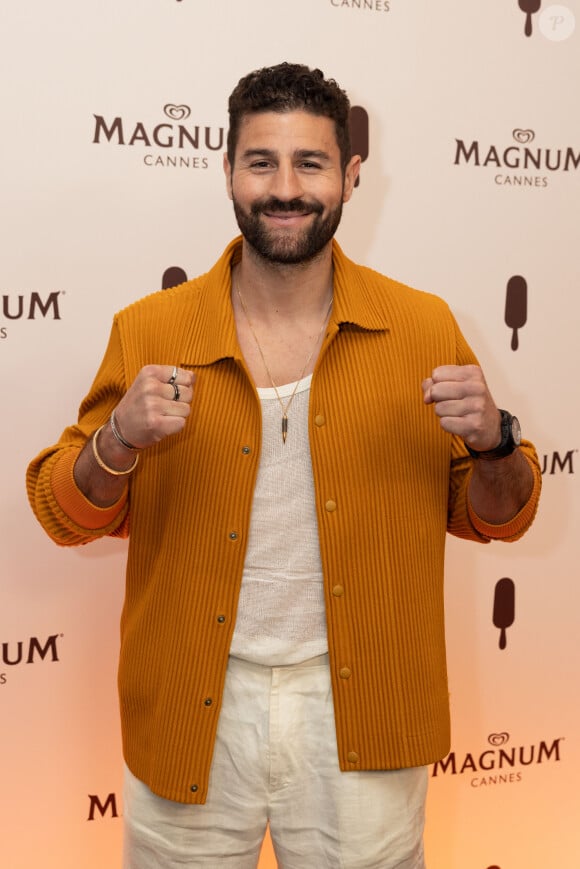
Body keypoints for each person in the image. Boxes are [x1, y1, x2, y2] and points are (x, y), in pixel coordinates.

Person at [27, 62, 541, 869]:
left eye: (311, 163)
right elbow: (64, 511)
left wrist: (495, 444)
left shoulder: (421, 325)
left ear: (351, 176)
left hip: (364, 707)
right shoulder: (150, 327)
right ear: (227, 169)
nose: (285, 187)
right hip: (194, 708)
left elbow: (500, 515)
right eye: (261, 161)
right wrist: (116, 440)